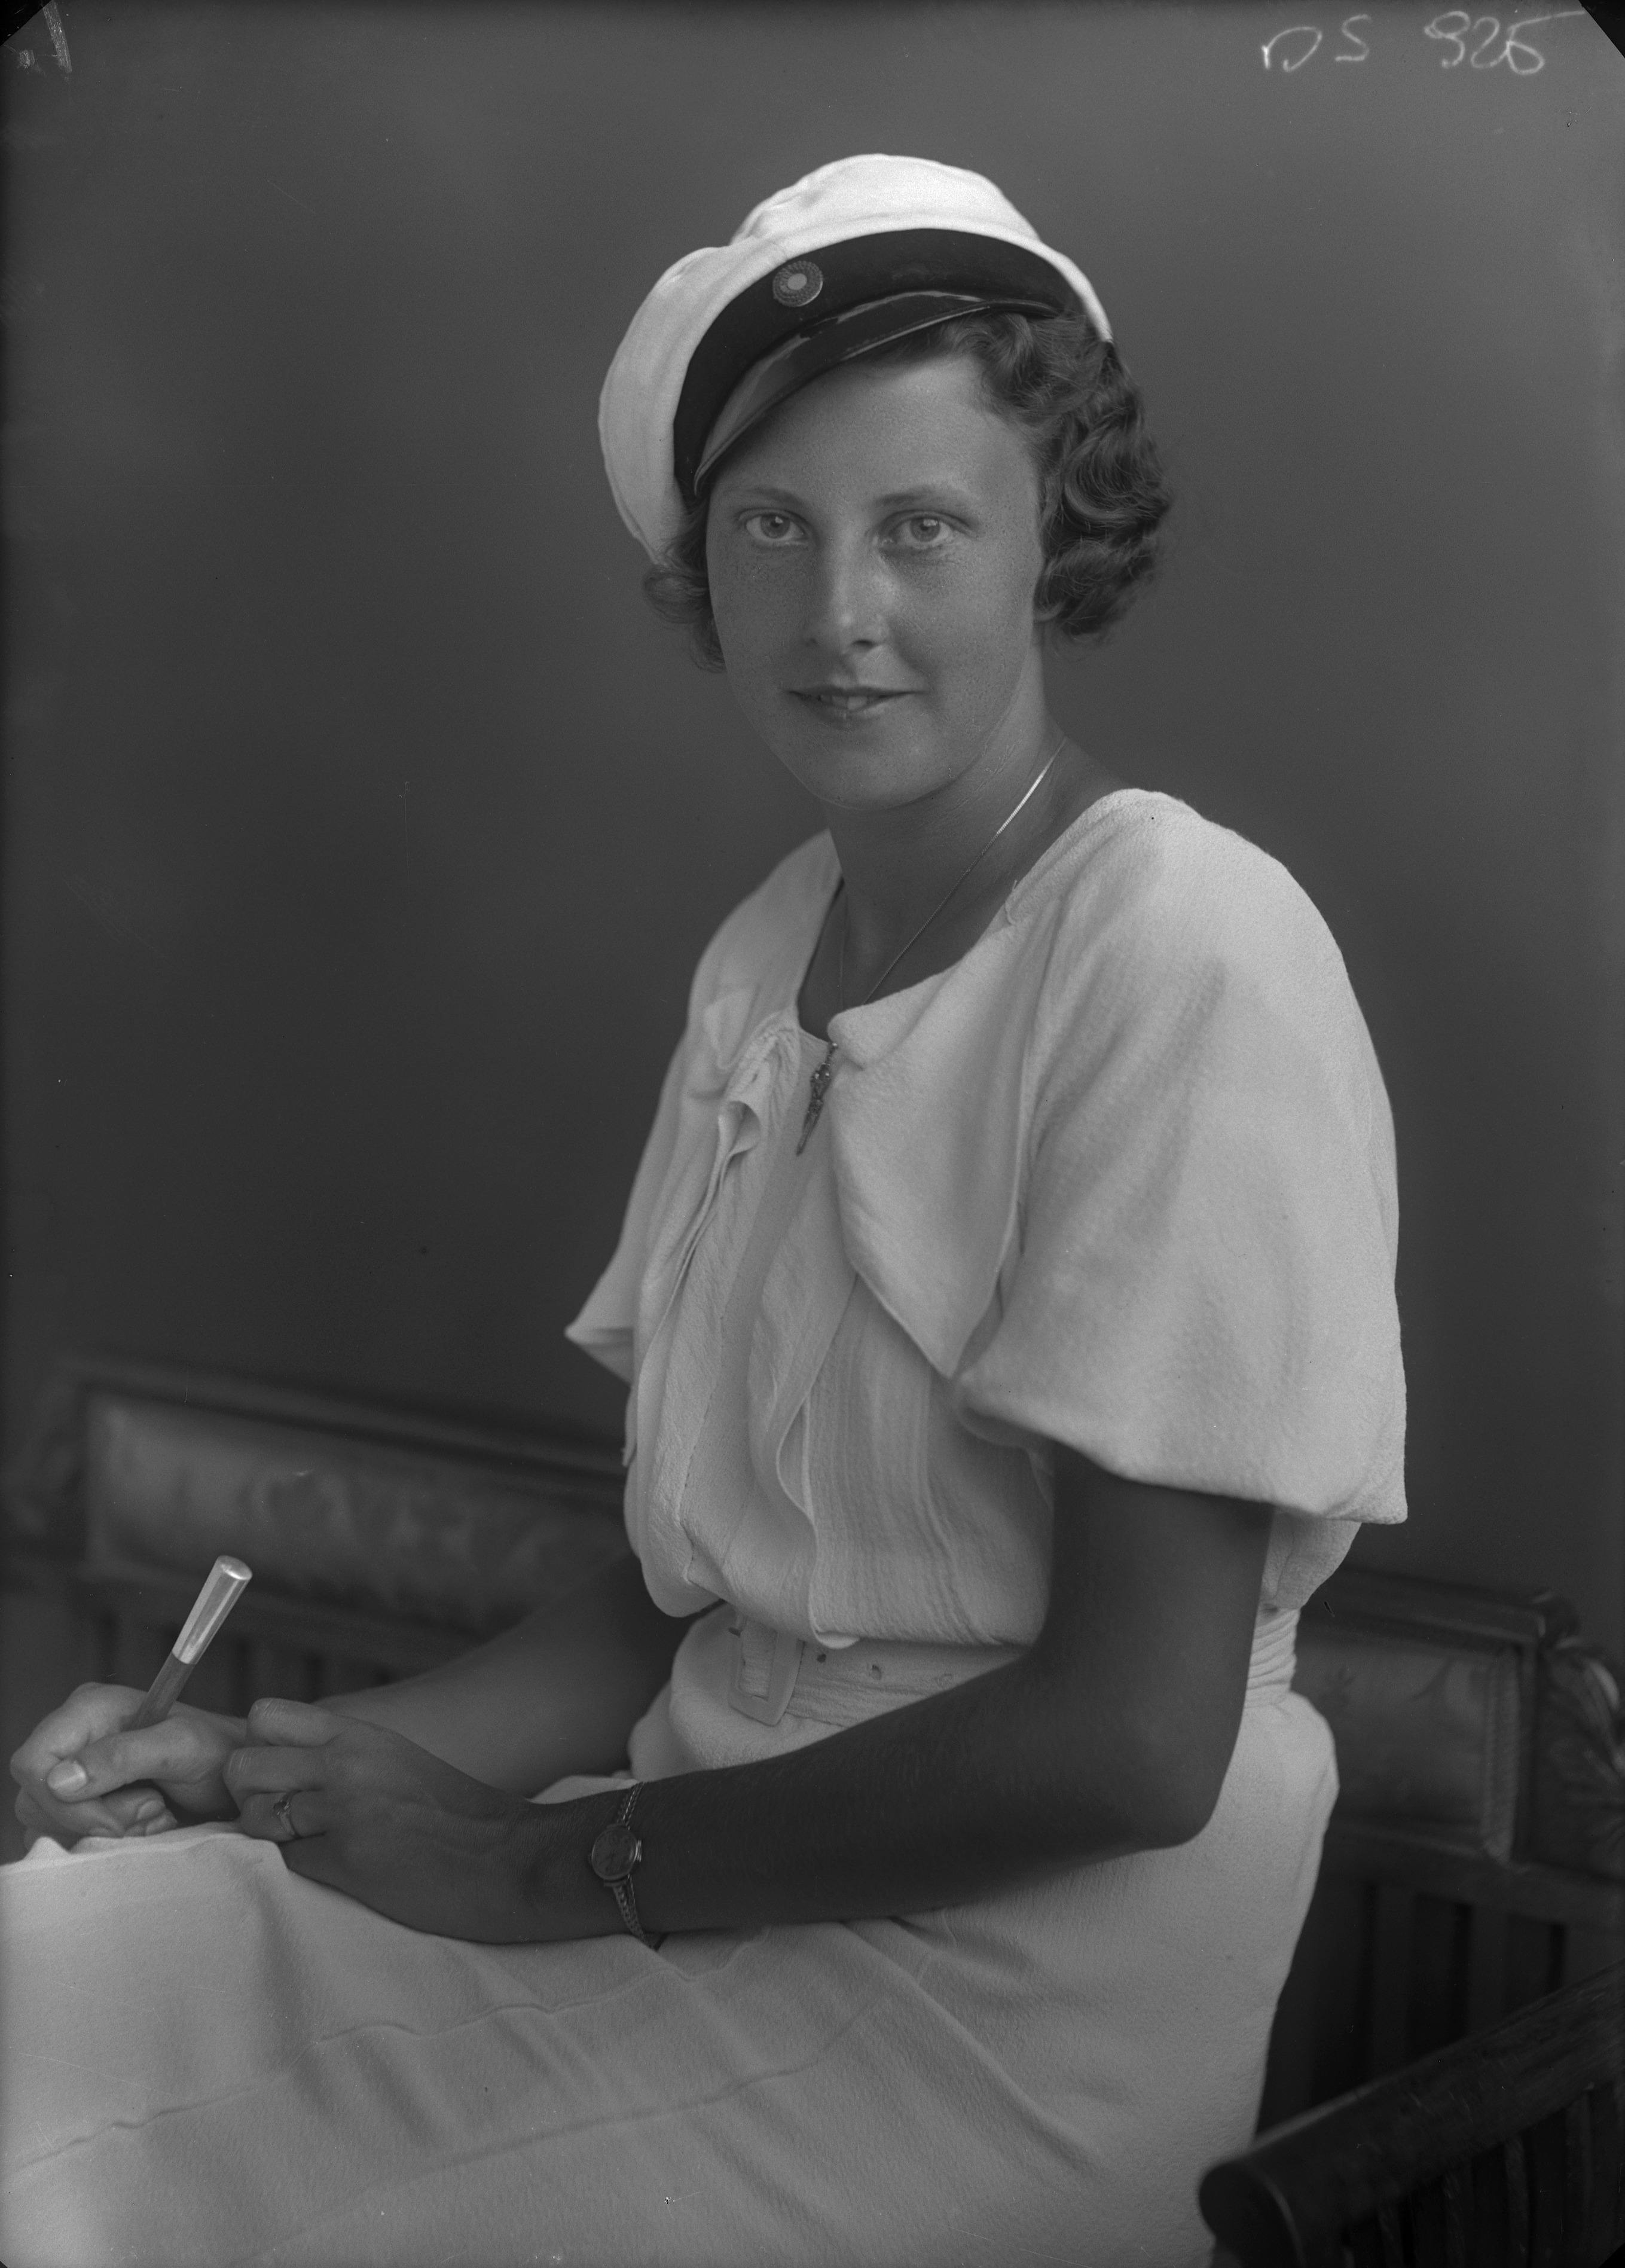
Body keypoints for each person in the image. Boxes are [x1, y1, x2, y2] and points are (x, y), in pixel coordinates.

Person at [1, 154, 1405, 2267]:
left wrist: (516, 1872)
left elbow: (1129, 1743)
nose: (839, 612)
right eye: (773, 527)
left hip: (992, 2014)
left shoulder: (1183, 943)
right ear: (703, 567)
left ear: (1056, 535)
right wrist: (271, 1761)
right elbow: (688, 1606)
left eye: (921, 525)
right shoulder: (769, 954)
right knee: (43, 1995)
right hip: (662, 1879)